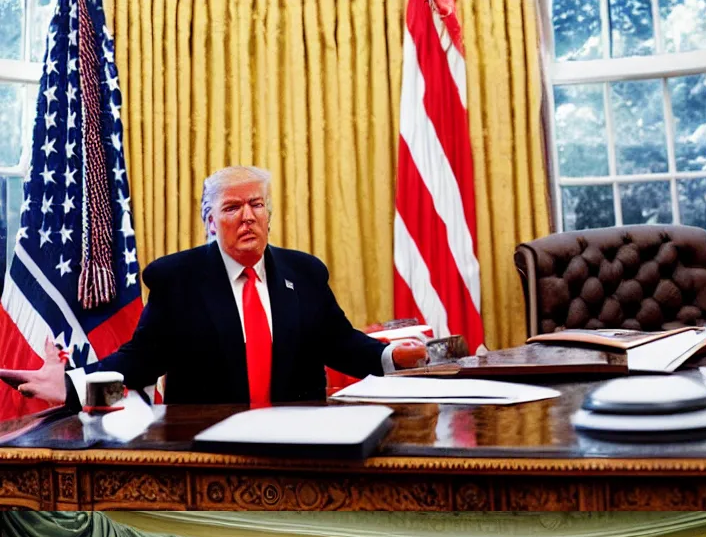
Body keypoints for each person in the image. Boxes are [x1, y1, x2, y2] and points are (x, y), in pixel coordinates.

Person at [0, 165, 426, 408]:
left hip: (299, 443)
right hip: (210, 448)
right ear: (209, 220)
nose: (248, 217)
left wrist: (390, 356)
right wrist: (74, 383)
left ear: (269, 214)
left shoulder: (307, 273)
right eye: (232, 207)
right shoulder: (177, 279)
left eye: (257, 205)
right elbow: (142, 361)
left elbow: (341, 343)